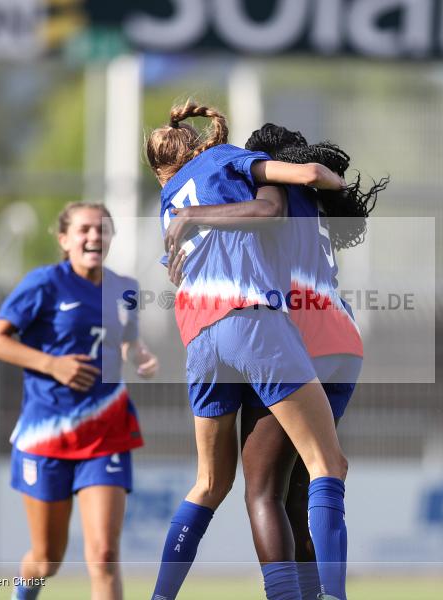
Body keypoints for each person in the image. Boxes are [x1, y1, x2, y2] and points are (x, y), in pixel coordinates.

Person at [164, 123, 387, 600]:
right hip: (343, 343)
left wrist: (191, 231)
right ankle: (319, 592)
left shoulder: (266, 188)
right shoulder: (319, 207)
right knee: (300, 488)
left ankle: (314, 595)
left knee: (263, 490)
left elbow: (261, 217)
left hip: (292, 338)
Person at [0, 202, 158, 600]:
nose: (94, 237)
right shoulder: (43, 283)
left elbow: (126, 340)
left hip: (107, 432)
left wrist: (140, 354)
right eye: (84, 230)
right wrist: (52, 364)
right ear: (65, 239)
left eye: (102, 230)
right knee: (47, 559)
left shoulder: (125, 288)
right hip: (47, 435)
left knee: (104, 555)